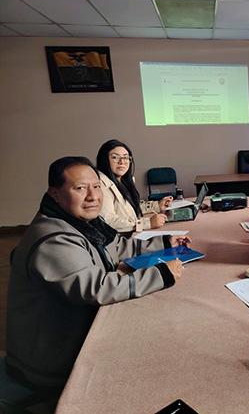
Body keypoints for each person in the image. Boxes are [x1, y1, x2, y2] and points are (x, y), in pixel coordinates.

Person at [6, 157, 190, 394]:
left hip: (74, 334)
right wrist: (162, 274)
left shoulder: (80, 220)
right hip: (52, 363)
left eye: (96, 186)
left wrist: (164, 243)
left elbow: (117, 247)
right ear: (55, 194)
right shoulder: (54, 239)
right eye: (80, 188)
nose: (93, 196)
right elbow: (98, 288)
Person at [96, 139, 172, 233]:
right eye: (115, 157)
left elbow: (131, 208)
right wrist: (147, 223)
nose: (122, 161)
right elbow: (108, 222)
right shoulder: (100, 184)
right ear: (103, 160)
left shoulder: (123, 180)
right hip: (120, 239)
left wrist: (157, 205)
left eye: (126, 157)